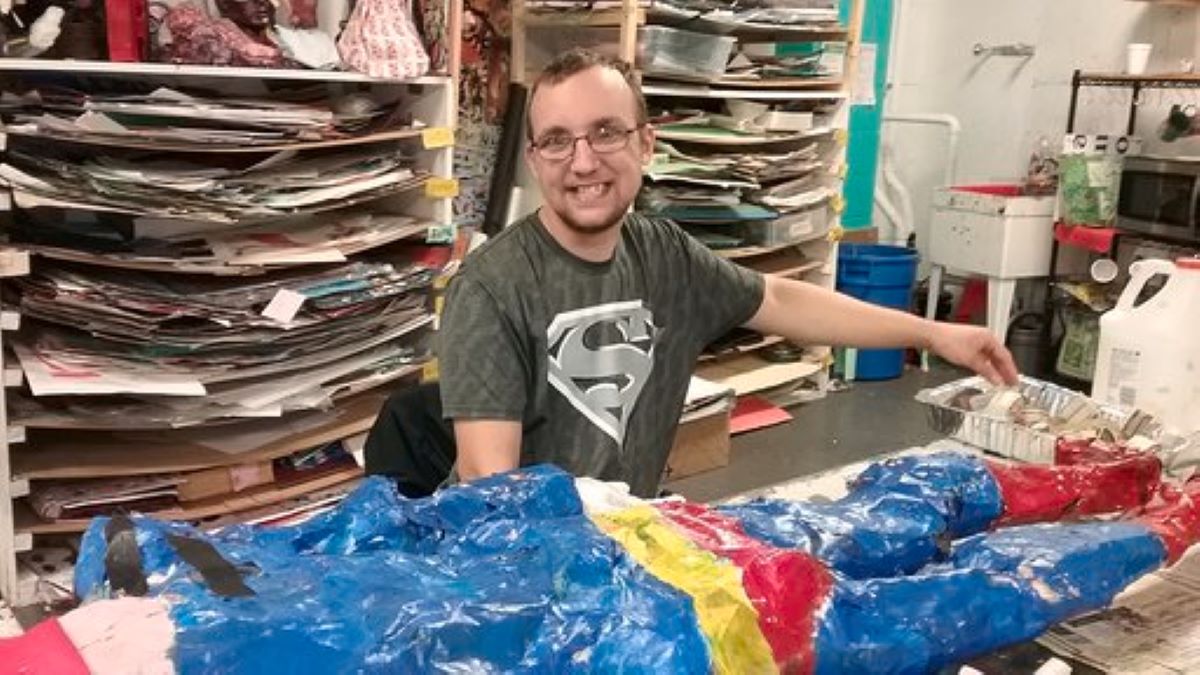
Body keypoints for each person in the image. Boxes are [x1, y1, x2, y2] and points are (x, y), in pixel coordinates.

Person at [367, 48, 1019, 499]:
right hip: (530, 568)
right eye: (558, 140)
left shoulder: (665, 256)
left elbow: (783, 299)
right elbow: (492, 493)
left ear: (647, 145)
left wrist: (933, 334)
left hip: (628, 534)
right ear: (534, 160)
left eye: (606, 132)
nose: (583, 160)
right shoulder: (491, 286)